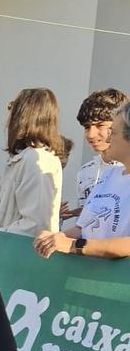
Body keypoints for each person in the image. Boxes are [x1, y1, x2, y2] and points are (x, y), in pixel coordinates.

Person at [35, 99, 130, 260]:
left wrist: (73, 246)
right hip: (85, 277)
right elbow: (83, 228)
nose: (108, 139)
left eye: (113, 133)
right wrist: (54, 239)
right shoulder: (108, 175)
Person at [0, 88, 64, 235]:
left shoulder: (38, 160)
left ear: (23, 116)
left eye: (13, 108)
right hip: (6, 249)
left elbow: (36, 224)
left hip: (16, 253)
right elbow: (14, 206)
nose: (8, 118)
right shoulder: (24, 158)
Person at [62, 88, 127, 221]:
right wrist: (70, 214)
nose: (91, 134)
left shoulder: (126, 169)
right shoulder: (86, 171)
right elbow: (91, 216)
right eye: (87, 127)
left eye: (100, 125)